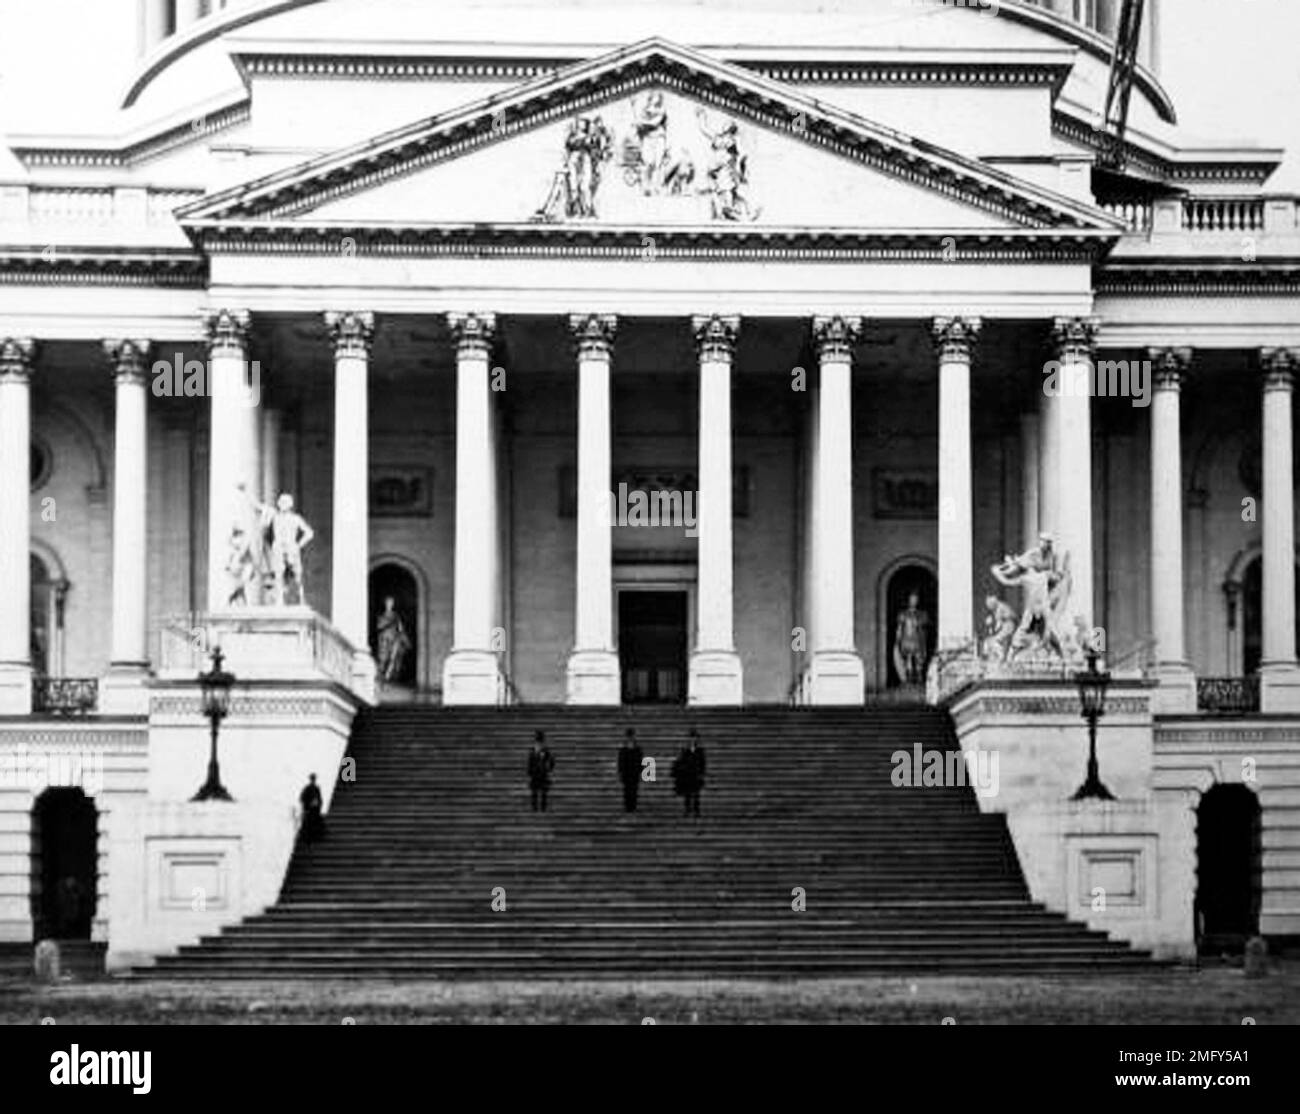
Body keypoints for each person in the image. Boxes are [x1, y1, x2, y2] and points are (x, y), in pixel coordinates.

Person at [375, 596, 412, 683]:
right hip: (384, 639)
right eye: (388, 603)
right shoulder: (382, 616)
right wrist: (387, 623)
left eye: (391, 603)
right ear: (385, 604)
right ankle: (380, 677)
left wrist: (405, 640)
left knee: (393, 659)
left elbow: (400, 628)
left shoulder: (396, 616)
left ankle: (389, 678)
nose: (390, 605)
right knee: (383, 659)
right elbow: (379, 626)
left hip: (394, 639)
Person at [673, 728, 706, 818]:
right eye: (691, 738)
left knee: (696, 794)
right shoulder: (685, 750)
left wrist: (702, 774)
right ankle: (687, 810)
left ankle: (696, 810)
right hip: (687, 775)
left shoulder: (700, 751)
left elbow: (702, 763)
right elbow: (681, 761)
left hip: (696, 774)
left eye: (694, 738)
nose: (693, 740)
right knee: (687, 794)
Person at [617, 727, 644, 813]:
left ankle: (632, 806)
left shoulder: (636, 748)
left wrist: (640, 770)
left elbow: (640, 760)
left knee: (633, 790)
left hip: (634, 772)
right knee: (627, 790)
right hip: (627, 772)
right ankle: (628, 806)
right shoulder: (624, 749)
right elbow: (621, 761)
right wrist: (621, 771)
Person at [528, 730, 555, 812]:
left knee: (542, 793)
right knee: (536, 793)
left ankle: (541, 808)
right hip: (537, 774)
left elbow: (551, 761)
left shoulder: (545, 751)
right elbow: (530, 762)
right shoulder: (534, 750)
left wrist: (548, 768)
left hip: (542, 773)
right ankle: (536, 808)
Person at [299, 773, 325, 842]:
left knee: (317, 821)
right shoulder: (307, 788)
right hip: (309, 810)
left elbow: (320, 798)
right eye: (312, 779)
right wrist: (309, 804)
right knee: (309, 823)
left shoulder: (317, 788)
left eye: (314, 779)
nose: (313, 781)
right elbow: (302, 798)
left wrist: (318, 804)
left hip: (315, 809)